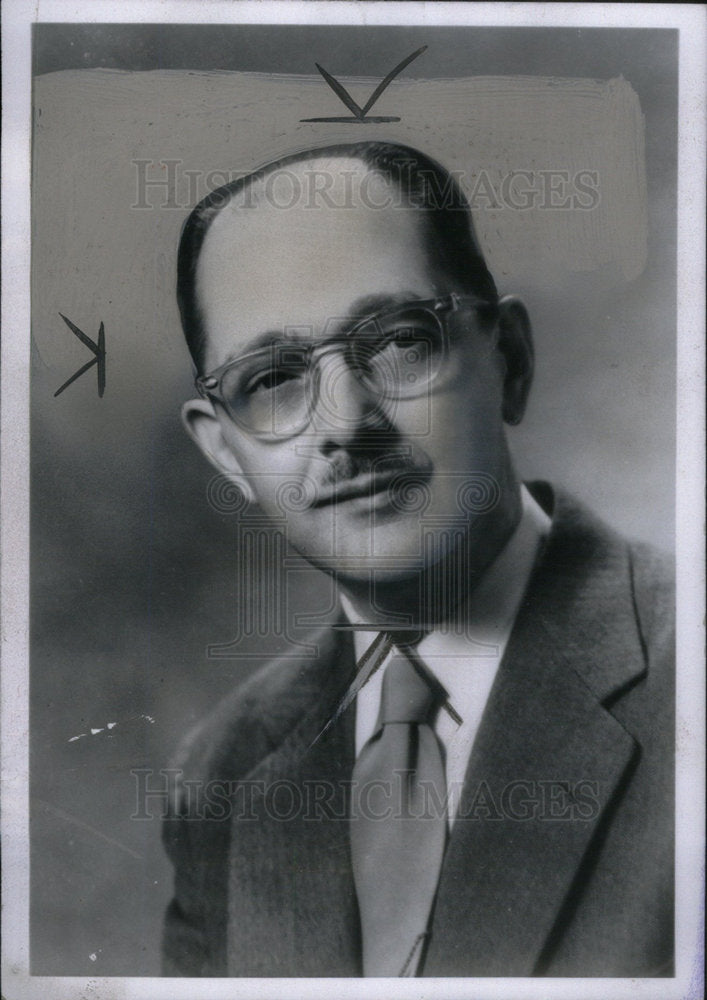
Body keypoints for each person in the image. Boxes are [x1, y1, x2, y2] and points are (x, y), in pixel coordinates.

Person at [161, 141, 674, 978]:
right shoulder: (220, 775)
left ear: (507, 358)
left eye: (398, 341)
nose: (345, 423)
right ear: (225, 453)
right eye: (272, 377)